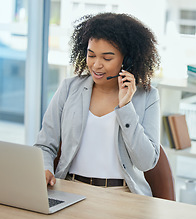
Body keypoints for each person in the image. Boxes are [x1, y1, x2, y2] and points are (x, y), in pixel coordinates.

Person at [35, 12, 160, 196]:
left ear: (127, 60)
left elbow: (146, 162)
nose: (96, 65)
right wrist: (45, 169)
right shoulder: (69, 88)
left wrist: (126, 107)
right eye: (91, 55)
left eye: (107, 58)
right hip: (71, 189)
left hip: (123, 194)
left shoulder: (147, 96)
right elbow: (44, 145)